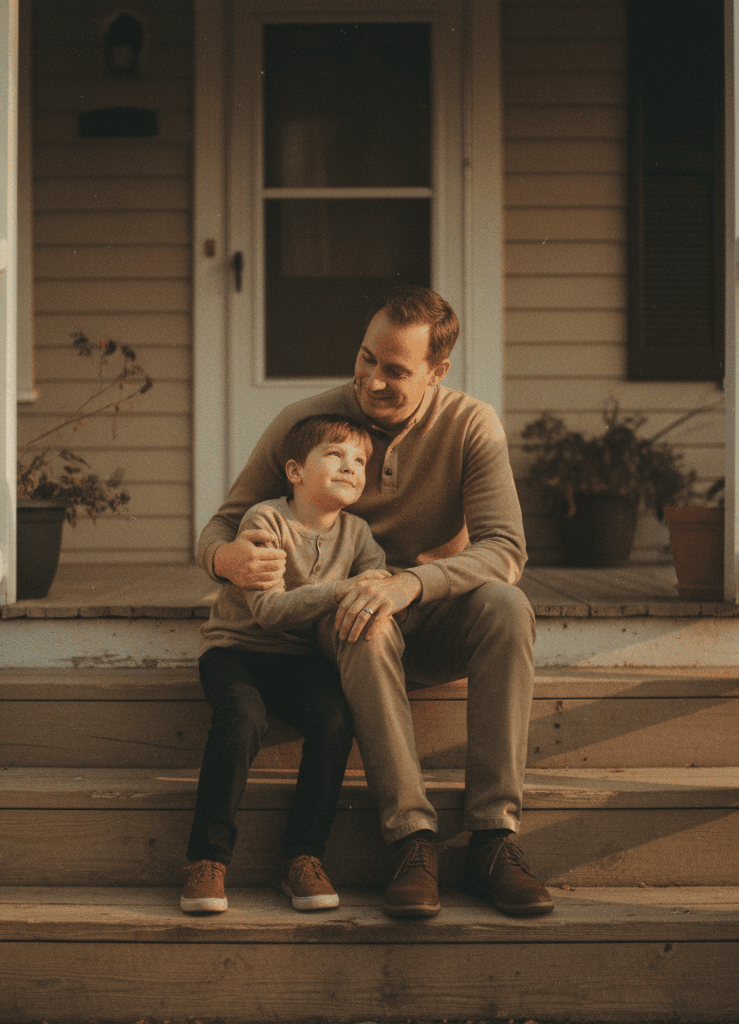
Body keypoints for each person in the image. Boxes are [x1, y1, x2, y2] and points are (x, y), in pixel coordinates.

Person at [198, 285, 553, 920]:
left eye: (396, 370)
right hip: (343, 618)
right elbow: (220, 528)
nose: (372, 380)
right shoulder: (307, 421)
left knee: (507, 606)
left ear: (437, 372)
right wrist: (225, 561)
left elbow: (505, 549)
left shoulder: (472, 425)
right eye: (366, 358)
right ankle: (414, 841)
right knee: (363, 616)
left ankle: (494, 838)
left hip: (430, 606)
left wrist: (412, 583)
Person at [182, 413, 392, 915]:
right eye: (335, 455)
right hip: (235, 650)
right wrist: (345, 588)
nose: (351, 467)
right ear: (296, 472)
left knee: (335, 719)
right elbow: (270, 612)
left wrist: (382, 583)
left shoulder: (358, 533)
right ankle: (206, 860)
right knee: (243, 719)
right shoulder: (266, 519)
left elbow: (379, 577)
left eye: (360, 461)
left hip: (298, 659)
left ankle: (303, 857)